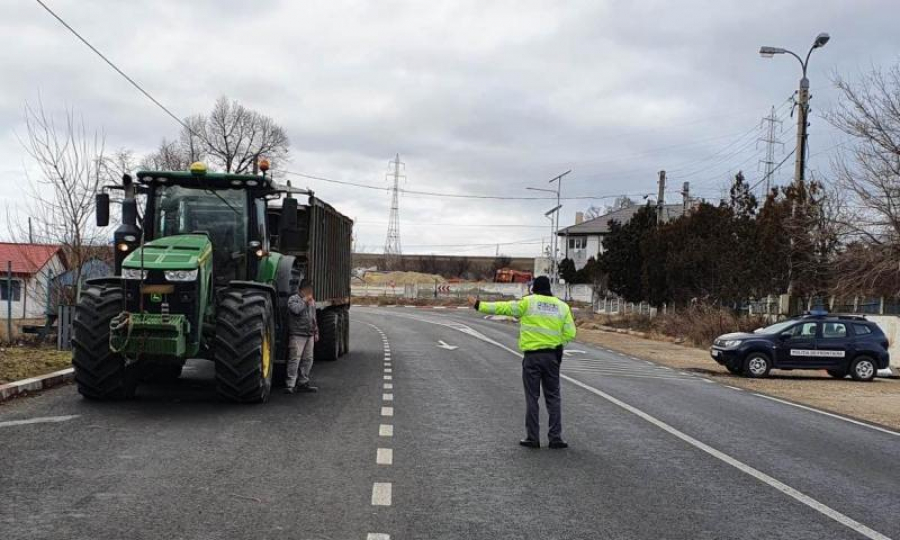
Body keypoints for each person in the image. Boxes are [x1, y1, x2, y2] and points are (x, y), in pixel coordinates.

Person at [468, 276, 576, 448]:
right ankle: (555, 438)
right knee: (553, 398)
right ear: (549, 288)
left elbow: (504, 308)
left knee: (532, 398)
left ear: (534, 288)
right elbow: (571, 333)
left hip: (532, 357)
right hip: (551, 357)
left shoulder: (528, 303)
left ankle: (532, 438)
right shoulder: (562, 307)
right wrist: (557, 343)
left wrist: (479, 305)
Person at [285, 279, 319, 394]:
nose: (310, 293)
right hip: (297, 334)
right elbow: (296, 310)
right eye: (308, 290)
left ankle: (303, 382)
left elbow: (313, 316)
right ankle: (290, 384)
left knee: (308, 359)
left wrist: (316, 331)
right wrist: (305, 301)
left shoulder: (312, 301)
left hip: (309, 334)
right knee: (295, 359)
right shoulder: (293, 299)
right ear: (301, 290)